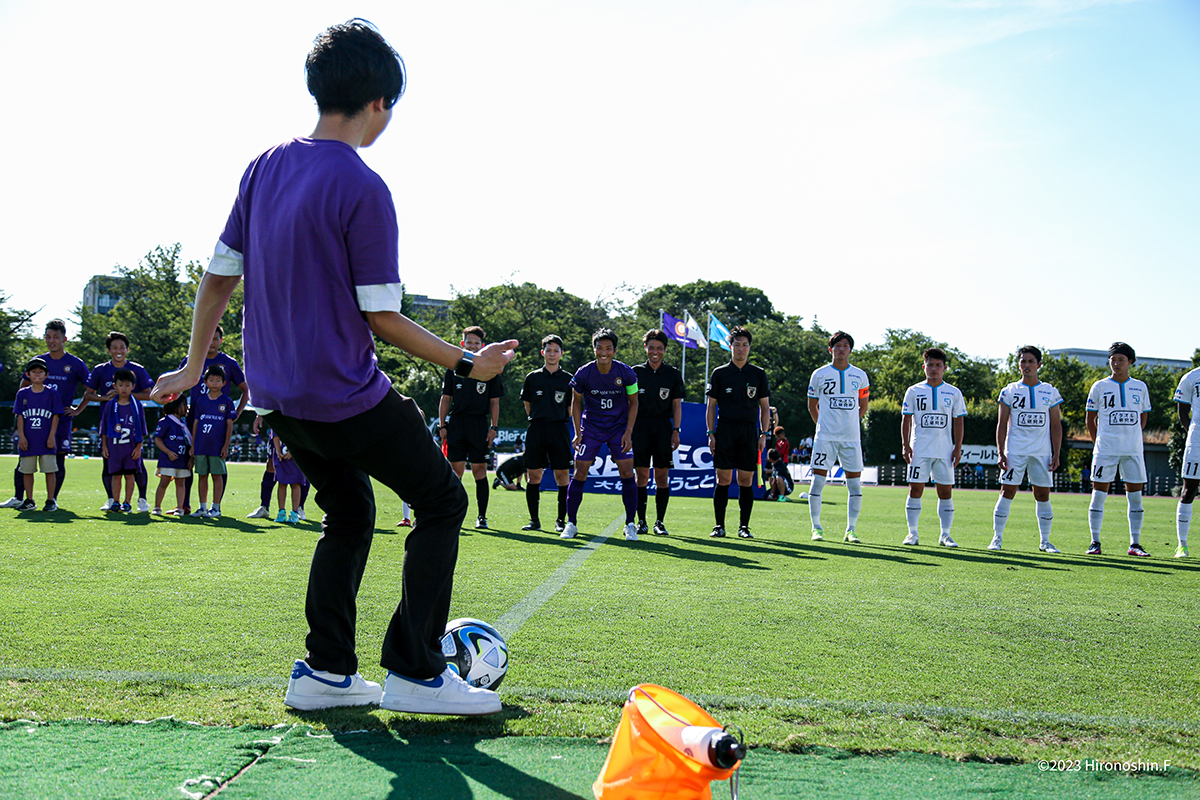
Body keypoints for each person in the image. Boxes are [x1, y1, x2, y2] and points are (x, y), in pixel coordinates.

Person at [151, 19, 516, 715]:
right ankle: (416, 672)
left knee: (349, 513)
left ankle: (325, 672)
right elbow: (382, 319)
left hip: (280, 402)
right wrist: (473, 363)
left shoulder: (263, 166)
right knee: (443, 501)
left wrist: (195, 364)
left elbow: (217, 279)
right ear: (380, 103)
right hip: (345, 399)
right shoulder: (363, 185)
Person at [1, 320, 88, 509]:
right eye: (48, 337)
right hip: (33, 421)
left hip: (60, 421)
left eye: (56, 337)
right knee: (24, 458)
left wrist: (78, 409)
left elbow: (90, 390)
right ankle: (19, 497)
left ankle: (52, 500)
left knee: (58, 460)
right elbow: (23, 388)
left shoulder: (75, 364)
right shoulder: (38, 360)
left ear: (64, 339)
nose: (52, 341)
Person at [564, 328, 639, 540]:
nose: (603, 352)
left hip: (618, 428)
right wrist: (578, 432)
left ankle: (630, 524)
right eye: (599, 348)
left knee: (627, 472)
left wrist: (628, 432)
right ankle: (571, 523)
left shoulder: (626, 373)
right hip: (592, 429)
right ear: (594, 349)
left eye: (608, 348)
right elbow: (575, 403)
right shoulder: (583, 373)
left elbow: (634, 402)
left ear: (614, 350)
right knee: (580, 472)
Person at [990, 345, 1063, 553]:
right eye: (1023, 361)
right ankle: (997, 538)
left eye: (1031, 361)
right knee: (1007, 491)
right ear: (1019, 365)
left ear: (1039, 365)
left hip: (1041, 452)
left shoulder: (1050, 391)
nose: (1027, 365)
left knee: (1042, 494)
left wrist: (1056, 453)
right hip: (1015, 451)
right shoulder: (1009, 391)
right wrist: (1000, 451)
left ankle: (1045, 541)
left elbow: (1056, 425)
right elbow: (1002, 424)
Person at [1084, 342, 1152, 557]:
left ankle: (1135, 544)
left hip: (1132, 450)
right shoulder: (1099, 386)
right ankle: (1095, 541)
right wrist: (1099, 442)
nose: (1116, 363)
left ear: (1130, 362)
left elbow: (1142, 418)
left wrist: (1130, 436)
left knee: (1135, 496)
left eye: (1120, 359)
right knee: (1098, 494)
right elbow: (1090, 419)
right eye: (1113, 359)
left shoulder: (1140, 387)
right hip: (1106, 449)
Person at [706, 326, 771, 539]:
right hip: (725, 429)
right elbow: (711, 406)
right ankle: (719, 526)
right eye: (737, 345)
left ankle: (744, 527)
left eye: (744, 345)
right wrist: (711, 433)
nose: (741, 349)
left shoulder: (758, 374)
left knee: (745, 480)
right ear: (730, 347)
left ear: (749, 348)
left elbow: (764, 407)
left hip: (748, 432)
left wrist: (763, 434)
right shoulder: (720, 373)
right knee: (723, 479)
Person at [177, 323, 249, 513]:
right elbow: (176, 386)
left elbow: (245, 389)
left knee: (218, 467)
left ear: (220, 340)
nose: (211, 342)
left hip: (219, 424)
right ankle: (186, 505)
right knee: (191, 463)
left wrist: (237, 413)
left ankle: (216, 506)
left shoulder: (229, 362)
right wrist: (180, 409)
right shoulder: (191, 360)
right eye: (208, 337)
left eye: (215, 338)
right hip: (194, 420)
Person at [806, 331, 870, 543]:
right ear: (830, 348)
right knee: (817, 481)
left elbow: (863, 406)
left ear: (850, 350)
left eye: (845, 345)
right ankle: (816, 528)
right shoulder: (819, 374)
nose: (841, 349)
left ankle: (851, 530)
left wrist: (848, 423)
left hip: (851, 439)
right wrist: (823, 425)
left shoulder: (860, 375)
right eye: (837, 345)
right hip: (825, 438)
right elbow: (811, 405)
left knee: (854, 485)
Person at [900, 348, 967, 547]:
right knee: (915, 489)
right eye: (930, 365)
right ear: (924, 367)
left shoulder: (954, 392)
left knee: (945, 492)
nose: (934, 369)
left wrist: (957, 447)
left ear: (945, 368)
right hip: (919, 449)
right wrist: (905, 445)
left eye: (938, 365)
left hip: (944, 450)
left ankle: (945, 535)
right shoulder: (913, 391)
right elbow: (906, 419)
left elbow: (959, 422)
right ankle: (912, 534)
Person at [439, 325, 504, 530]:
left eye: (476, 343)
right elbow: (445, 398)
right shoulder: (453, 367)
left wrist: (494, 427)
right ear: (463, 344)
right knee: (455, 471)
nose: (473, 346)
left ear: (482, 345)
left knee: (479, 471)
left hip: (479, 424)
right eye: (469, 342)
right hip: (457, 424)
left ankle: (482, 517)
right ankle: (451, 514)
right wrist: (442, 426)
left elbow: (494, 402)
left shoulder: (490, 369)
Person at [84, 331, 155, 512]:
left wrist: (128, 395)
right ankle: (111, 499)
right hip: (110, 425)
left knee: (137, 464)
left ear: (127, 349)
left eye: (122, 347)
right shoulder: (101, 369)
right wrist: (105, 398)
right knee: (108, 463)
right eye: (114, 347)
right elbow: (88, 394)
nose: (118, 351)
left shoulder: (137, 369)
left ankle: (141, 499)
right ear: (108, 350)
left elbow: (149, 393)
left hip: (131, 425)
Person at [518, 334, 574, 532]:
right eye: (548, 350)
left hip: (559, 429)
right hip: (537, 429)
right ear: (543, 352)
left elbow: (570, 408)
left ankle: (561, 521)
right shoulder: (532, 378)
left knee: (562, 476)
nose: (552, 354)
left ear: (561, 353)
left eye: (555, 351)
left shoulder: (569, 379)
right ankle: (534, 520)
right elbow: (527, 405)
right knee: (533, 476)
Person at [632, 329, 684, 536]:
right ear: (645, 348)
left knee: (662, 477)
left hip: (663, 427)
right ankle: (641, 521)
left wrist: (676, 430)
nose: (655, 352)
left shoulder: (672, 374)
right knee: (641, 476)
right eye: (651, 347)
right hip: (640, 428)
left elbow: (677, 406)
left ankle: (659, 522)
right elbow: (628, 404)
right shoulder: (634, 372)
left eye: (659, 348)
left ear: (665, 350)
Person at [13, 358, 62, 512]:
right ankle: (29, 499)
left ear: (46, 374)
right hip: (28, 439)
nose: (37, 374)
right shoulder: (22, 394)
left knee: (49, 470)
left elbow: (56, 415)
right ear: (28, 374)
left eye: (40, 372)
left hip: (45, 438)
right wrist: (21, 435)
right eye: (33, 372)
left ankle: (50, 500)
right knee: (27, 470)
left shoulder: (52, 393)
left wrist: (51, 436)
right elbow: (20, 415)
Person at [189, 365, 236, 519]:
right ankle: (202, 507)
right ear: (205, 382)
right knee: (202, 475)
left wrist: (225, 446)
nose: (214, 383)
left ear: (224, 383)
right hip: (201, 445)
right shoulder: (201, 401)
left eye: (218, 380)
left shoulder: (226, 401)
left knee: (217, 476)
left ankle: (216, 507)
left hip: (217, 447)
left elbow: (229, 425)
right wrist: (193, 445)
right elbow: (196, 423)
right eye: (211, 380)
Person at [99, 368, 147, 513]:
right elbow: (105, 428)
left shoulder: (137, 406)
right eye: (120, 385)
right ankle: (115, 501)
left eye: (127, 385)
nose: (124, 388)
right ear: (115, 386)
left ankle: (127, 502)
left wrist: (139, 447)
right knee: (116, 475)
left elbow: (142, 429)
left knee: (130, 475)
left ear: (133, 386)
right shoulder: (110, 405)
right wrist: (105, 446)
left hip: (130, 448)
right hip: (115, 448)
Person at [1173, 362, 1200, 558]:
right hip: (1197, 440)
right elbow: (1182, 412)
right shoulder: (1191, 377)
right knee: (1189, 489)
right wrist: (1192, 431)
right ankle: (1182, 545)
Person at [152, 395, 191, 515]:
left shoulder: (185, 422)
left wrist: (191, 458)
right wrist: (168, 452)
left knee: (181, 483)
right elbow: (158, 439)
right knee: (164, 482)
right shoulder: (165, 421)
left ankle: (180, 508)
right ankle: (157, 507)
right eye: (183, 405)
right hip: (168, 459)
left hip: (183, 459)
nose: (186, 408)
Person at [272, 431, 308, 523]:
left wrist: (293, 451)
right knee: (281, 483)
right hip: (281, 457)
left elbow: (302, 436)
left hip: (296, 456)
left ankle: (295, 513)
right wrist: (278, 451)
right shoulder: (278, 418)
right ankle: (281, 512)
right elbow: (275, 435)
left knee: (295, 484)